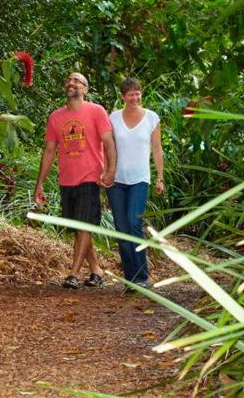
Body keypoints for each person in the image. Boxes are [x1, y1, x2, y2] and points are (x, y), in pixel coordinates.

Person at [34, 72, 117, 289]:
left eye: (77, 81)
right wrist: (40, 182)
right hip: (66, 179)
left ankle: (73, 274)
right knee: (80, 227)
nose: (71, 83)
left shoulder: (96, 111)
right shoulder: (55, 117)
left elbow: (108, 142)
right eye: (69, 80)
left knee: (82, 225)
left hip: (90, 177)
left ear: (85, 90)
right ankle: (96, 269)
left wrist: (110, 170)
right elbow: (50, 150)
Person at [106, 77, 164, 291]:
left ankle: (142, 277)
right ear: (123, 96)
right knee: (121, 228)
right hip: (116, 181)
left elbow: (157, 148)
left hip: (140, 179)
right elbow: (108, 147)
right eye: (130, 94)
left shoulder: (151, 117)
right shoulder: (113, 118)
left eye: (137, 93)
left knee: (133, 222)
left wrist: (160, 177)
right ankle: (131, 278)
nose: (135, 97)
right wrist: (106, 172)